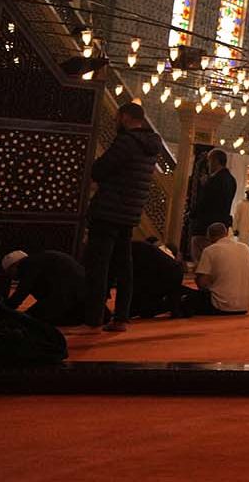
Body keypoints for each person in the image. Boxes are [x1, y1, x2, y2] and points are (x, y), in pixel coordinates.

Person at [81, 102, 175, 330]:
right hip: (130, 213)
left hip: (108, 210)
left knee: (99, 265)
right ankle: (121, 316)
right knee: (124, 266)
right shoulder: (151, 145)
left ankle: (93, 317)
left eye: (116, 119)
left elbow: (100, 169)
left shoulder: (127, 142)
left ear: (124, 117)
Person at [0, 250, 87, 327]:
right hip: (82, 297)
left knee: (26, 321)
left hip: (65, 295)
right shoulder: (42, 260)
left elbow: (22, 292)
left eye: (9, 272)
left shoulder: (28, 265)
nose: (12, 277)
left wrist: (3, 311)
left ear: (14, 266)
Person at [180, 223, 249, 316]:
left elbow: (202, 283)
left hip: (220, 305)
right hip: (244, 306)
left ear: (208, 236)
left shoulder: (210, 250)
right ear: (226, 233)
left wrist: (197, 272)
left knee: (181, 294)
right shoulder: (245, 248)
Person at [188, 149, 237, 263]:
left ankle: (204, 278)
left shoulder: (214, 180)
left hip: (206, 225)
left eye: (209, 161)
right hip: (221, 224)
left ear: (215, 161)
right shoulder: (231, 179)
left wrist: (192, 213)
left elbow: (206, 202)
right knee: (216, 254)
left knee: (202, 256)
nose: (208, 165)